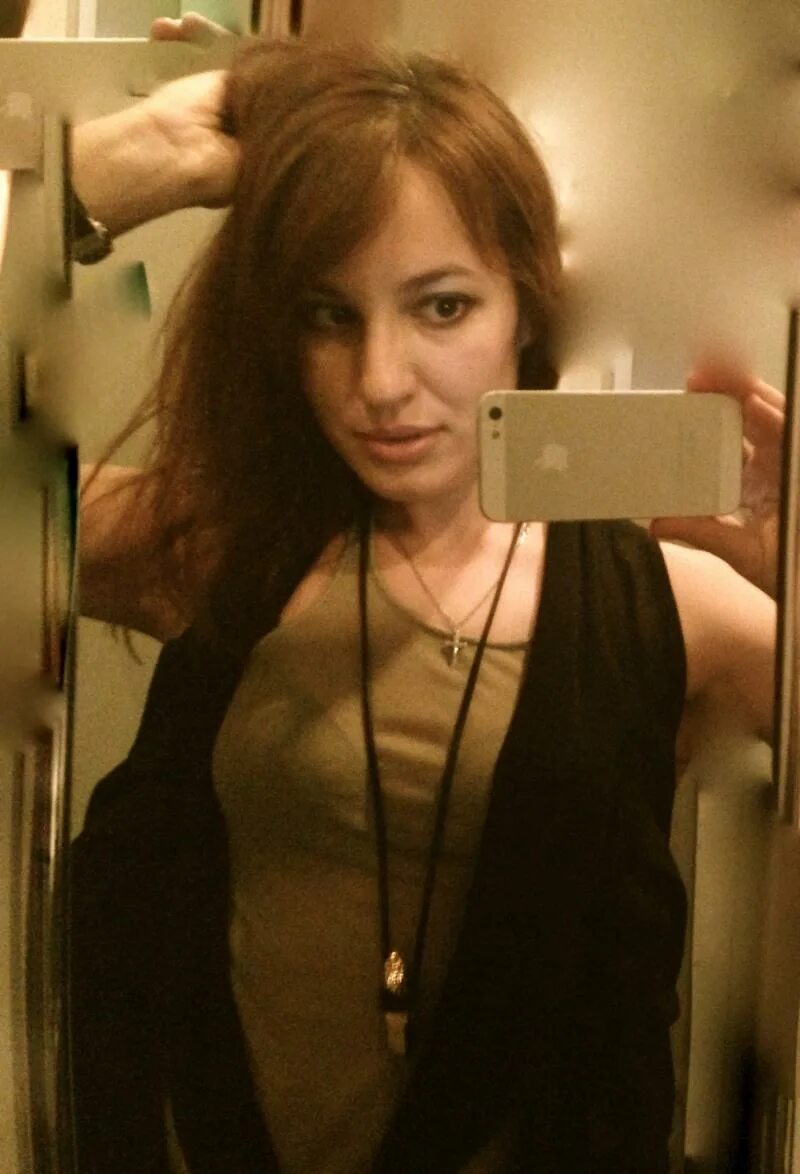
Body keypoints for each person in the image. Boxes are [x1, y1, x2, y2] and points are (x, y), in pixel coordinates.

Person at [66, 36, 777, 1174]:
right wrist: (117, 165)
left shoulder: (660, 606)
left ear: (526, 308)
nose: (381, 382)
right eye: (328, 315)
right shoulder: (223, 551)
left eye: (441, 307)